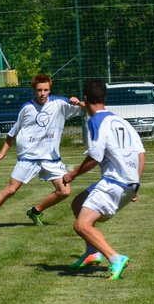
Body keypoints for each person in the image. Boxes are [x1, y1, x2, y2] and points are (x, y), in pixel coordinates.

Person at [0, 74, 83, 230]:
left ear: (50, 90)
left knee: (64, 191)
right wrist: (2, 153)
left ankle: (35, 211)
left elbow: (90, 108)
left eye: (46, 90)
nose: (42, 93)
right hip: (28, 157)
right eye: (39, 90)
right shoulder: (27, 108)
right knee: (11, 190)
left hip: (50, 158)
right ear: (34, 90)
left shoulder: (60, 104)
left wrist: (78, 102)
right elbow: (12, 133)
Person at [61, 78, 145, 281]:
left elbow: (94, 158)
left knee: (81, 226)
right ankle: (92, 252)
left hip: (114, 183)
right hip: (129, 183)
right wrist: (135, 183)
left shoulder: (95, 122)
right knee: (78, 203)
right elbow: (141, 153)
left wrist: (72, 174)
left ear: (85, 97)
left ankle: (115, 258)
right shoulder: (121, 121)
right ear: (105, 97)